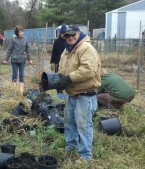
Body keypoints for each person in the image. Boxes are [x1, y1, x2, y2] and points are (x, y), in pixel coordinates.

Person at [55, 25, 101, 164]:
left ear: (79, 33)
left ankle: (85, 156)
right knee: (69, 123)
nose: (70, 38)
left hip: (85, 95)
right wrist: (59, 81)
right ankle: (71, 147)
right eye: (67, 36)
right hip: (73, 94)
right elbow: (63, 69)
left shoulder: (86, 49)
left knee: (84, 126)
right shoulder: (67, 51)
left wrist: (68, 79)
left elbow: (88, 70)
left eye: (72, 34)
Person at [3, 26, 33, 92]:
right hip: (14, 60)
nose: (21, 33)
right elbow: (9, 50)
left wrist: (30, 59)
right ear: (17, 33)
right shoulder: (13, 39)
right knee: (15, 74)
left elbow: (28, 50)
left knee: (21, 75)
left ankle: (21, 91)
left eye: (22, 31)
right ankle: (14, 90)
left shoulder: (25, 39)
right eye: (20, 32)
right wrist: (6, 59)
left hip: (22, 60)